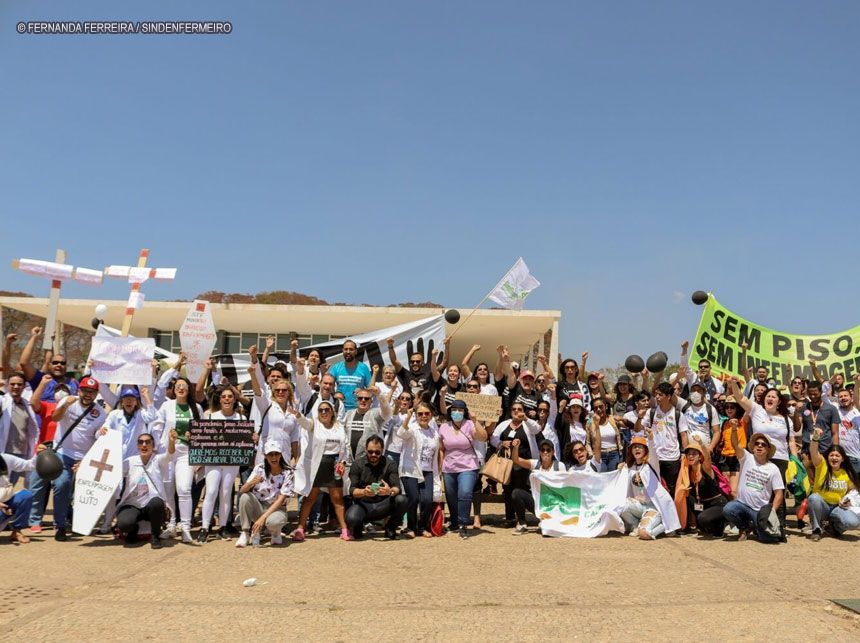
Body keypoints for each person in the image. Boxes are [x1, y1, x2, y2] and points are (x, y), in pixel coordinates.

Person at [39, 376, 107, 541]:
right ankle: (60, 526)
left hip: (85, 458)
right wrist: (65, 406)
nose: (87, 395)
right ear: (79, 390)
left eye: (92, 392)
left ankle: (80, 523)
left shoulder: (100, 412)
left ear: (96, 393)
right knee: (62, 485)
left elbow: (97, 434)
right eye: (85, 391)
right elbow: (55, 418)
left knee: (84, 493)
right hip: (63, 453)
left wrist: (102, 432)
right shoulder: (68, 401)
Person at [726, 377, 798, 526]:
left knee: (777, 492)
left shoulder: (786, 419)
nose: (770, 398)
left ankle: (778, 524)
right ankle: (755, 521)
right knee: (758, 490)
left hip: (780, 458)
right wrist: (733, 383)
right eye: (768, 396)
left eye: (773, 396)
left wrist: (795, 461)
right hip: (758, 457)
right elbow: (740, 397)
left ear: (779, 401)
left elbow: (790, 441)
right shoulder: (756, 410)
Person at [292, 400, 350, 542]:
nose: (323, 412)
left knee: (337, 499)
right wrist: (298, 415)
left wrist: (343, 461)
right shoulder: (314, 424)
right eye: (321, 410)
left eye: (326, 409)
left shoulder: (339, 427)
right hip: (317, 466)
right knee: (310, 498)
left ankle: (344, 529)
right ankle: (301, 528)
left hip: (335, 466)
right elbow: (305, 423)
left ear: (332, 412)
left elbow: (346, 446)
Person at [157, 377, 203, 543]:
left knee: (184, 489)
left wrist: (194, 437)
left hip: (185, 453)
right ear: (174, 389)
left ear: (189, 389)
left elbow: (203, 432)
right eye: (178, 386)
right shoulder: (166, 405)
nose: (181, 388)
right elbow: (157, 426)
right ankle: (171, 525)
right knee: (168, 490)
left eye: (184, 386)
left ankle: (185, 527)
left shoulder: (196, 408)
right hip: (167, 452)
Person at [198, 387, 245, 543]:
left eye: (229, 396)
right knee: (211, 491)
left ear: (234, 399)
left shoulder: (241, 419)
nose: (226, 399)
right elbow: (202, 438)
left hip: (232, 460)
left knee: (225, 492)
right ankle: (205, 527)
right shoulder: (210, 416)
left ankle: (223, 527)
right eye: (224, 396)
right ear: (219, 399)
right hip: (213, 460)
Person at [115, 431, 175, 549]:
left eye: (148, 442)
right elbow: (112, 471)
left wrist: (171, 442)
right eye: (141, 442)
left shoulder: (157, 460)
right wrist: (84, 467)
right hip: (132, 503)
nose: (144, 445)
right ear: (137, 446)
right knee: (124, 523)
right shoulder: (130, 461)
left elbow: (170, 454)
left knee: (157, 503)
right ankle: (133, 531)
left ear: (153, 446)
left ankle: (155, 535)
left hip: (151, 504)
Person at [722, 430, 785, 543]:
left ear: (768, 449)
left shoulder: (773, 469)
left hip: (759, 511)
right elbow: (735, 444)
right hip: (742, 504)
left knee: (768, 539)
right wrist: (735, 429)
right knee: (728, 509)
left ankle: (756, 527)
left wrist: (772, 513)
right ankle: (744, 527)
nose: (759, 446)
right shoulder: (746, 458)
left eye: (763, 444)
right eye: (757, 443)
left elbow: (779, 493)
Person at [438, 400, 488, 538]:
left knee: (465, 493)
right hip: (449, 467)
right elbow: (441, 448)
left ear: (464, 411)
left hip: (468, 465)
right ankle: (454, 521)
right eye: (454, 410)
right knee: (451, 497)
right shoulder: (443, 426)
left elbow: (483, 437)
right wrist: (440, 467)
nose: (457, 413)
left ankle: (463, 524)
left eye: (460, 410)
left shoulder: (469, 424)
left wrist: (475, 420)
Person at [345, 435, 408, 540]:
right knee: (351, 518)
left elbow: (397, 488)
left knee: (402, 500)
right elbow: (352, 490)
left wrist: (389, 491)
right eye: (370, 452)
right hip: (363, 505)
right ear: (365, 450)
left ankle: (390, 527)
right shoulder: (357, 464)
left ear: (382, 450)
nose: (373, 454)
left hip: (383, 504)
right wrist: (364, 492)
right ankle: (358, 526)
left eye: (377, 452)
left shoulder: (390, 464)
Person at [620, 434, 681, 540]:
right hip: (638, 506)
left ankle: (665, 526)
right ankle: (635, 526)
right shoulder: (629, 468)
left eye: (640, 447)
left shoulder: (652, 465)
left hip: (653, 507)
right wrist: (619, 468)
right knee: (621, 504)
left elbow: (653, 451)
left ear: (645, 450)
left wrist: (651, 439)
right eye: (634, 447)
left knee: (644, 534)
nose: (637, 449)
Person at [491, 401, 542, 526]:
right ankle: (509, 518)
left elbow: (537, 429)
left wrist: (526, 418)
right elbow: (493, 438)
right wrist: (501, 444)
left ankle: (521, 519)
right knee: (507, 490)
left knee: (521, 490)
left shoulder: (527, 424)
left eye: (519, 409)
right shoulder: (504, 424)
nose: (516, 411)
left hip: (524, 463)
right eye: (514, 409)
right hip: (507, 464)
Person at [248, 345, 301, 465]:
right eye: (277, 390)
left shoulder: (293, 410)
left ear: (289, 392)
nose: (281, 392)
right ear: (273, 391)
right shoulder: (266, 404)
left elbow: (294, 437)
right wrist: (252, 374)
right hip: (265, 458)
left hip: (285, 458)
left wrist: (296, 459)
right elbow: (258, 390)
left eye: (284, 390)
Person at [236, 440, 294, 547]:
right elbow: (242, 490)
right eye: (270, 454)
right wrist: (252, 482)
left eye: (276, 454)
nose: (274, 457)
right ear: (265, 456)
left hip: (277, 509)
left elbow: (281, 500)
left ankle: (275, 532)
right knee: (245, 497)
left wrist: (261, 519)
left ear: (280, 455)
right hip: (259, 505)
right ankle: (245, 532)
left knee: (273, 522)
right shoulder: (259, 468)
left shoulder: (288, 472)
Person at [805, 428, 860, 540]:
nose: (834, 457)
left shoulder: (846, 473)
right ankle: (816, 528)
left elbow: (853, 492)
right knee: (814, 498)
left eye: (837, 456)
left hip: (837, 508)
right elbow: (813, 452)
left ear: (842, 459)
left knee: (853, 522)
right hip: (822, 506)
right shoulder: (822, 465)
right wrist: (815, 438)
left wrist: (848, 500)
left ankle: (833, 528)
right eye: (831, 455)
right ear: (827, 457)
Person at [637, 382, 688, 496]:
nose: (657, 397)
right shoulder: (652, 412)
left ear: (668, 396)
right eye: (656, 395)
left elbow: (684, 435)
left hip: (672, 458)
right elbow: (638, 428)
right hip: (655, 457)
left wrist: (684, 453)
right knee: (654, 488)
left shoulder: (678, 414)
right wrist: (639, 418)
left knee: (672, 490)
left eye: (660, 395)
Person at [396, 405, 440, 538]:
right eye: (420, 414)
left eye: (427, 413)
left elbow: (436, 452)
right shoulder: (413, 428)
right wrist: (408, 418)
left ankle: (422, 527)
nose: (424, 416)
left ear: (431, 415)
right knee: (413, 499)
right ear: (416, 415)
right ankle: (410, 527)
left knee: (427, 500)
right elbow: (401, 433)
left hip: (428, 470)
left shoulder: (434, 432)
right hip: (411, 470)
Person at [509, 437, 566, 535]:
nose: (545, 452)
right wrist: (516, 447)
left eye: (548, 450)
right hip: (538, 503)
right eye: (542, 450)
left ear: (553, 452)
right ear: (539, 452)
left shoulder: (560, 466)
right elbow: (516, 460)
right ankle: (522, 523)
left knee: (546, 530)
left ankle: (547, 520)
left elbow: (565, 486)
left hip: (554, 504)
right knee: (516, 493)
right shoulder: (535, 464)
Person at [674, 436, 727, 537]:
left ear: (700, 456)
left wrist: (701, 443)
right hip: (703, 503)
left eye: (694, 454)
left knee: (703, 519)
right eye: (688, 454)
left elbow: (707, 457)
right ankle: (692, 526)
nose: (690, 456)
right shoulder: (688, 471)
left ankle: (720, 524)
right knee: (687, 495)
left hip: (718, 503)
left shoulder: (705, 468)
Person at [19, 326, 80, 401]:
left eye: (62, 363)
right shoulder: (41, 380)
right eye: (55, 363)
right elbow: (24, 362)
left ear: (66, 366)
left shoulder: (74, 383)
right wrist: (34, 337)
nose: (59, 365)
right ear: (49, 365)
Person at [1, 372, 40, 483]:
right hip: (4, 452)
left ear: (24, 386)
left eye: (19, 384)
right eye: (12, 384)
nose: (16, 387)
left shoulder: (28, 406)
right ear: (7, 385)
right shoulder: (2, 402)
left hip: (20, 454)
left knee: (10, 488)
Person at [1, 450, 39, 544]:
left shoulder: (5, 458)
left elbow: (30, 465)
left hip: (5, 501)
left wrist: (38, 454)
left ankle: (17, 531)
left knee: (26, 496)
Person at [328, 339, 372, 410]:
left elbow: (371, 389)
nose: (348, 352)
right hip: (339, 409)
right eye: (346, 349)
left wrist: (362, 391)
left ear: (356, 351)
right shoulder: (336, 367)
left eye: (351, 349)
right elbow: (327, 385)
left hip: (358, 409)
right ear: (342, 351)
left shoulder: (363, 368)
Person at [717, 396, 747, 496]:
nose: (729, 409)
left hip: (737, 458)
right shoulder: (725, 423)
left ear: (737, 408)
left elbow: (748, 407)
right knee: (726, 491)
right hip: (724, 459)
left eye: (732, 407)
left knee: (734, 491)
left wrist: (732, 385)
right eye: (727, 407)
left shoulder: (742, 422)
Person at [680, 381, 721, 453]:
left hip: (705, 450)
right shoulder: (684, 405)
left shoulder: (711, 409)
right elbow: (669, 393)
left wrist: (711, 448)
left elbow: (717, 432)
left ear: (703, 393)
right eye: (693, 390)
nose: (696, 392)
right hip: (689, 450)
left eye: (698, 390)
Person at [587, 398, 624, 472]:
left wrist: (623, 419)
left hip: (614, 454)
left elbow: (629, 426)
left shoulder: (613, 419)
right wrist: (591, 455)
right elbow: (587, 441)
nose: (598, 409)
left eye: (601, 406)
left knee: (613, 476)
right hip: (599, 455)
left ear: (606, 406)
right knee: (602, 477)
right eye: (596, 408)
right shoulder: (590, 423)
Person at [836, 377, 860, 473]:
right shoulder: (835, 411)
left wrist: (857, 383)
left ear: (851, 398)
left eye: (845, 396)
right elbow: (824, 395)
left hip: (857, 457)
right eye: (840, 397)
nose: (843, 398)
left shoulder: (858, 413)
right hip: (842, 457)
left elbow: (858, 400)